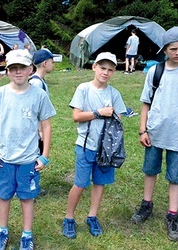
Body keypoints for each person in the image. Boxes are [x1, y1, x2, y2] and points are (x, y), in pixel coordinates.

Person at [0, 49, 56, 250]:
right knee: (4, 196)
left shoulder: (39, 95)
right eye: (13, 68)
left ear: (30, 69)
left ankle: (27, 235)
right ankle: (2, 231)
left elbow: (47, 125)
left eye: (22, 68)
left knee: (27, 198)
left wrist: (44, 156)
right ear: (7, 71)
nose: (18, 72)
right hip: (4, 158)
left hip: (29, 159)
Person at [131, 26, 178, 242]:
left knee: (176, 177)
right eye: (173, 49)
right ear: (165, 50)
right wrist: (143, 129)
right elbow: (145, 104)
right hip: (155, 132)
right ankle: (146, 205)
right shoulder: (155, 72)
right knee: (151, 170)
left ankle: (172, 216)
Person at [62, 52, 126, 239]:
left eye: (110, 69)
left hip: (105, 149)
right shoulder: (83, 89)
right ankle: (69, 218)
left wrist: (114, 117)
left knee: (99, 184)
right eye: (102, 68)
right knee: (80, 184)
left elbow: (118, 119)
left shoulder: (114, 93)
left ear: (113, 72)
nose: (105, 72)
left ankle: (92, 216)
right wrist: (99, 112)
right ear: (94, 67)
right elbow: (76, 116)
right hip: (85, 146)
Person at [29, 49, 55, 154]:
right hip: (34, 130)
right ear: (45, 63)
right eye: (51, 62)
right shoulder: (36, 83)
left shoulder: (41, 81)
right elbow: (35, 109)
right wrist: (40, 130)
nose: (52, 65)